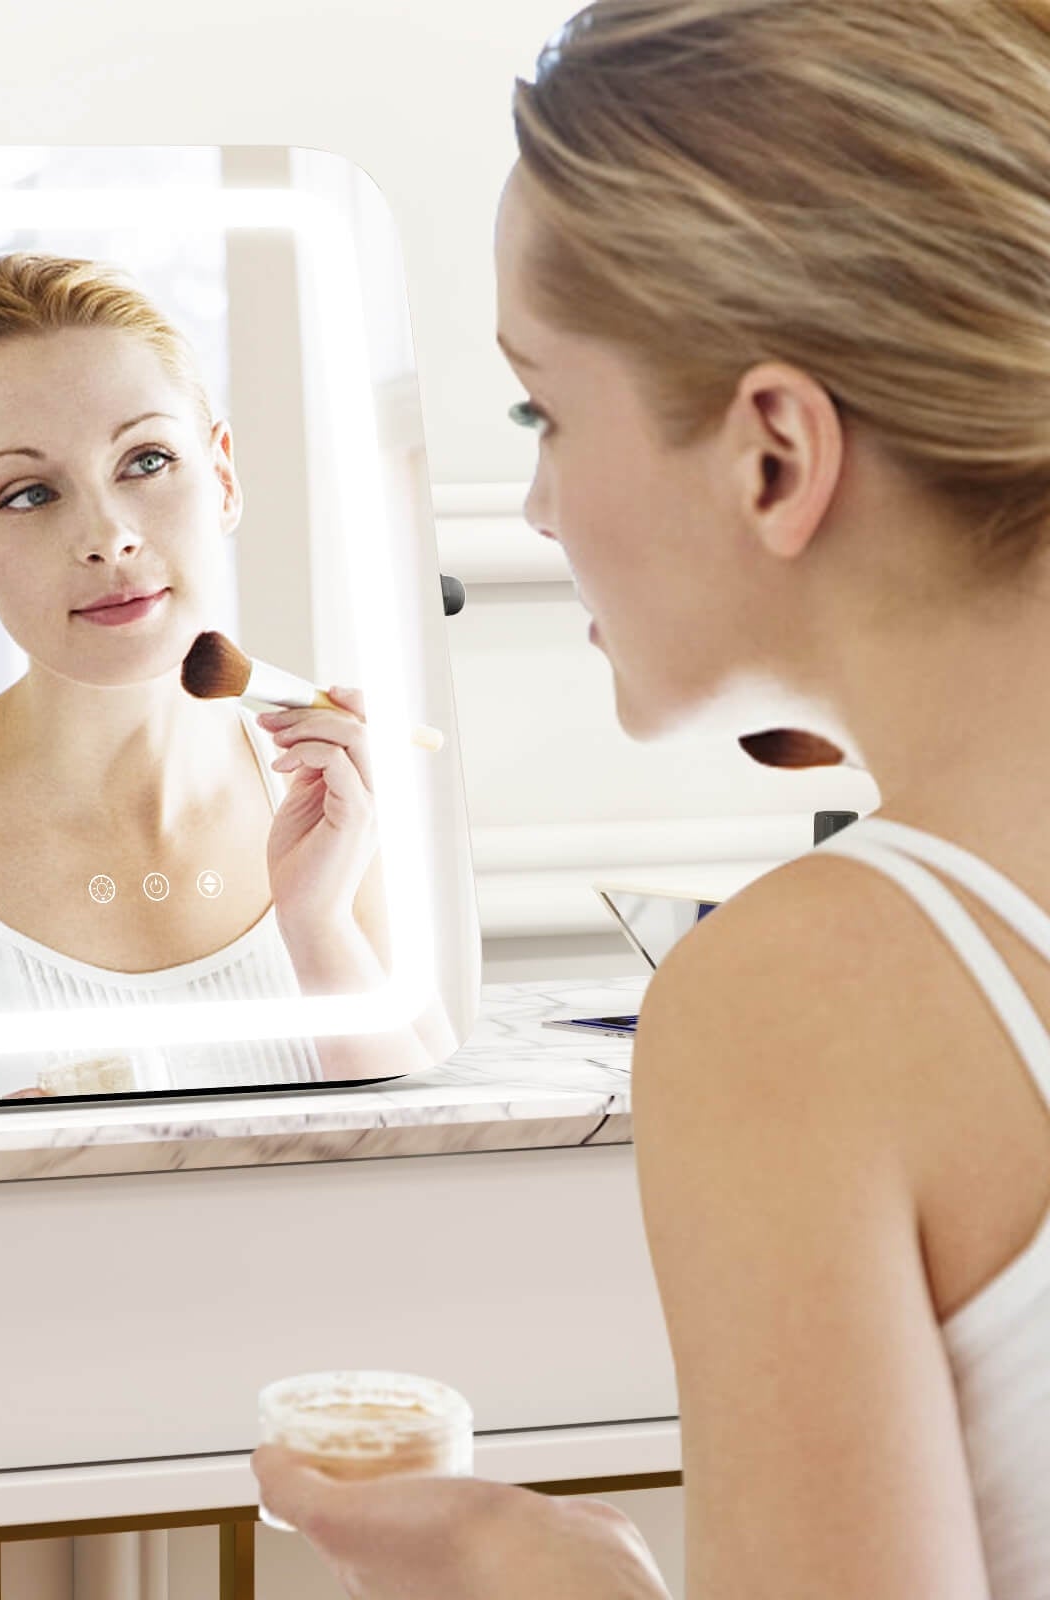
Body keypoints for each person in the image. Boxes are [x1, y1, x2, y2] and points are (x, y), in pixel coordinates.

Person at [255, 2, 1050, 1595]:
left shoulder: (806, 1003)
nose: (538, 505)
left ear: (772, 452)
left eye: (544, 408)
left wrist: (556, 1575)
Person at [0, 253, 454, 1096]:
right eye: (27, 494)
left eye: (147, 460)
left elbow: (435, 1156)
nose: (109, 535)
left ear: (223, 476)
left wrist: (318, 921)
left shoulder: (341, 798)